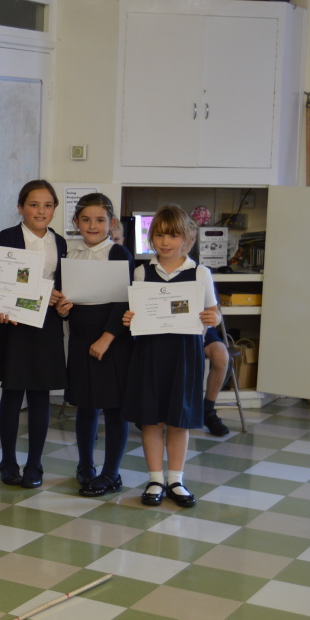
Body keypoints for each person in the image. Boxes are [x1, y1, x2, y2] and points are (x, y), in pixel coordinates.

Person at [122, 205, 220, 508]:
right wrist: (129, 317)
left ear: (187, 238)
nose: (165, 242)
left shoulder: (200, 272)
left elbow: (213, 311)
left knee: (179, 420)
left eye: (173, 235)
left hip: (185, 354)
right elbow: (136, 311)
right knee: (151, 420)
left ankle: (175, 480)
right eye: (160, 235)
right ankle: (155, 479)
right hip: (150, 352)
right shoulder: (142, 271)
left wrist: (213, 318)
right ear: (151, 237)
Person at [0, 180, 67, 489]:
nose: (40, 211)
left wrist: (62, 300)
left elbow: (64, 285)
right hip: (13, 325)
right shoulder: (6, 238)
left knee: (40, 395)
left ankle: (35, 464)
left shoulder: (61, 243)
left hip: (46, 325)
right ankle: (8, 462)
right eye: (33, 205)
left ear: (54, 209)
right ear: (21, 208)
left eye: (47, 205)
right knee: (12, 392)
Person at [54, 193, 134, 497]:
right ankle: (85, 466)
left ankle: (111, 473)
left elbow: (123, 299)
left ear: (111, 223)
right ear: (76, 222)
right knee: (85, 405)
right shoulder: (71, 256)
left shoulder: (118, 253)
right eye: (86, 220)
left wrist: (107, 337)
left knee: (113, 408)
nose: (92, 225)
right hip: (80, 339)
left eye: (100, 220)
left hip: (112, 339)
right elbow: (64, 296)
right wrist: (62, 308)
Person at [203, 327, 231, 436]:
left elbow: (215, 316)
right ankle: (160, 414)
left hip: (202, 328)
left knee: (221, 355)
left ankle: (207, 411)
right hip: (165, 330)